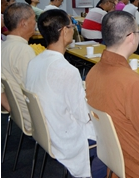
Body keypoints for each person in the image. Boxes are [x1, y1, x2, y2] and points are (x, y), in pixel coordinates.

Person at [25, 10, 106, 178]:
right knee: (115, 136)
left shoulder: (35, 61)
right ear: (63, 31)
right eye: (71, 26)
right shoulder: (67, 70)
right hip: (65, 138)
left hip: (46, 131)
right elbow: (84, 116)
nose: (73, 29)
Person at [85, 11, 139, 178]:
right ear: (131, 37)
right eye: (138, 32)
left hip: (113, 160)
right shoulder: (133, 83)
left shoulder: (93, 72)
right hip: (138, 166)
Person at [1, 3, 37, 129]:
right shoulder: (23, 51)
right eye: (34, 19)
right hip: (35, 120)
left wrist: (12, 109)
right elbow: (36, 90)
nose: (35, 23)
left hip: (19, 115)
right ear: (24, 23)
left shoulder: (3, 46)